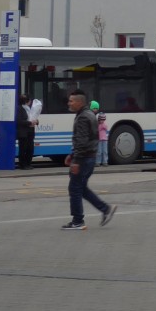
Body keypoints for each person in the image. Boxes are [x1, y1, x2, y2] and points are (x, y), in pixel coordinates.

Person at [62, 90, 116, 230]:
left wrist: (76, 160)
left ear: (80, 102)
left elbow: (82, 140)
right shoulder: (88, 114)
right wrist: (72, 155)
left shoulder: (83, 117)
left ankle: (78, 221)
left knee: (74, 188)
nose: (69, 103)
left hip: (84, 159)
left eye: (71, 101)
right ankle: (105, 209)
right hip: (88, 157)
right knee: (81, 188)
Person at [15, 93, 35, 170]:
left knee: (30, 149)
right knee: (23, 149)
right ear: (27, 101)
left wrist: (36, 121)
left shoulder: (29, 109)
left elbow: (33, 117)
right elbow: (19, 121)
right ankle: (23, 165)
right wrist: (30, 122)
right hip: (23, 133)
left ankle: (28, 163)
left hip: (30, 132)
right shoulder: (19, 109)